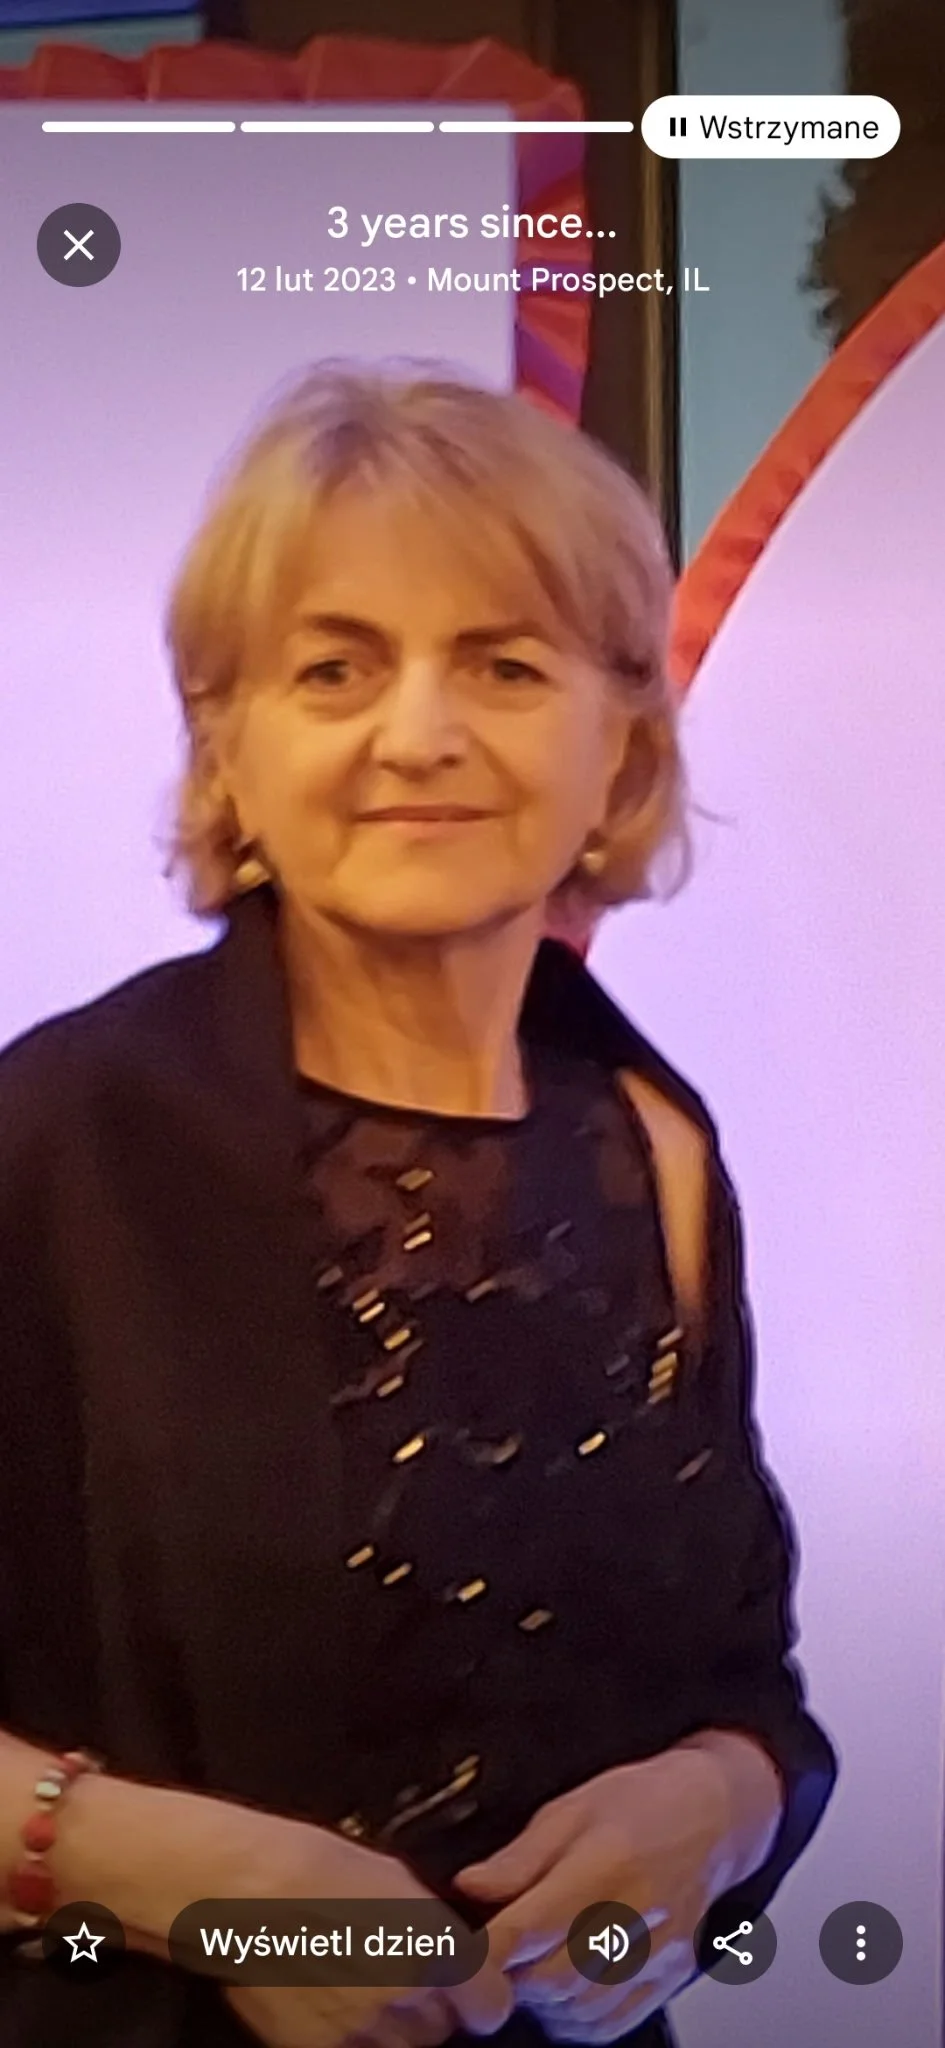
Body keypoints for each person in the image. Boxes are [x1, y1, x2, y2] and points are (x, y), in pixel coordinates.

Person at [0, 364, 836, 2048]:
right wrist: (153, 1863)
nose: (421, 731)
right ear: (227, 745)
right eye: (335, 667)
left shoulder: (660, 1150)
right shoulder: (58, 1136)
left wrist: (727, 1800)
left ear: (621, 751)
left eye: (506, 663)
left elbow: (751, 1686)